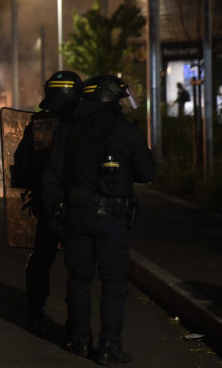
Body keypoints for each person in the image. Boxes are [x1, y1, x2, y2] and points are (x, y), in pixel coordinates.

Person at [43, 74, 156, 365]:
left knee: (79, 280)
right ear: (109, 98)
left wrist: (52, 214)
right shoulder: (125, 131)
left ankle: (78, 340)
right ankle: (109, 347)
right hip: (112, 217)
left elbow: (52, 177)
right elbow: (146, 173)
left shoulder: (68, 129)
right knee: (114, 284)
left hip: (75, 215)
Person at [12, 70, 82, 333]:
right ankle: (77, 327)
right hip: (79, 204)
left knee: (41, 259)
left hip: (46, 204)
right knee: (79, 265)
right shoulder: (84, 123)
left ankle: (35, 313)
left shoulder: (39, 124)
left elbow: (21, 166)